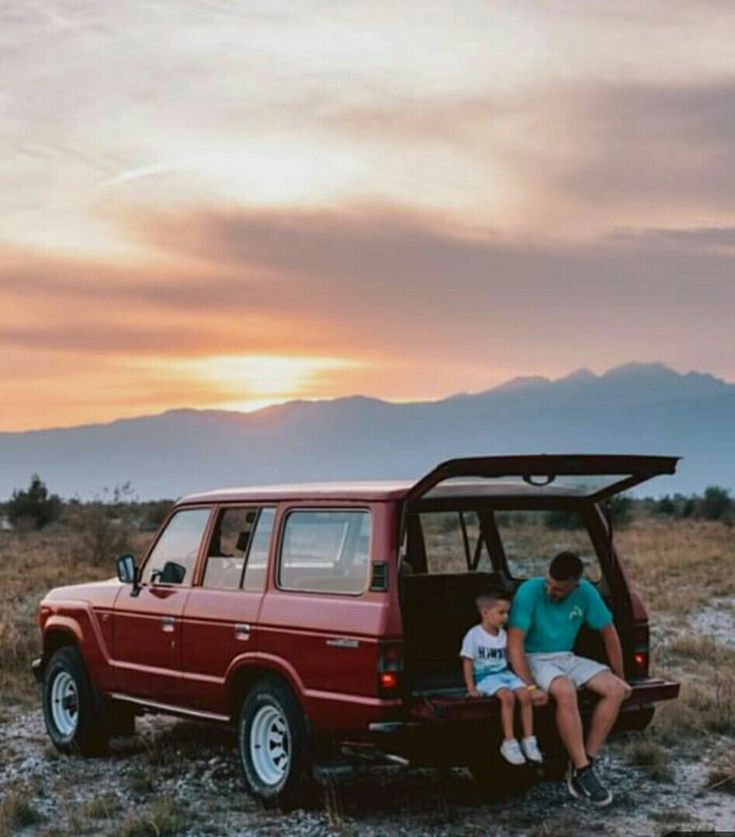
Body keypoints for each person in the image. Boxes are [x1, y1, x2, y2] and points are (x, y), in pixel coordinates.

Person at [507, 551, 633, 807]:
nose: (552, 591)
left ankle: (585, 763)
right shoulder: (530, 592)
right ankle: (584, 769)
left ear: (575, 585)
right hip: (535, 657)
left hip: (565, 656)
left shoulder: (586, 593)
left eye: (560, 589)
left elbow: (610, 635)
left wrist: (621, 676)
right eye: (550, 584)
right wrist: (530, 686)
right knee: (565, 690)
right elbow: (514, 644)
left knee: (616, 690)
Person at [460, 589, 545, 766]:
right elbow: (467, 662)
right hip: (485, 676)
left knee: (524, 694)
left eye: (507, 612)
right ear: (485, 613)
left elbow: (511, 659)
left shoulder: (504, 635)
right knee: (507, 697)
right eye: (501, 613)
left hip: (504, 673)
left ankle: (529, 739)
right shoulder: (474, 635)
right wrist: (471, 688)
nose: (506, 617)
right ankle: (509, 741)